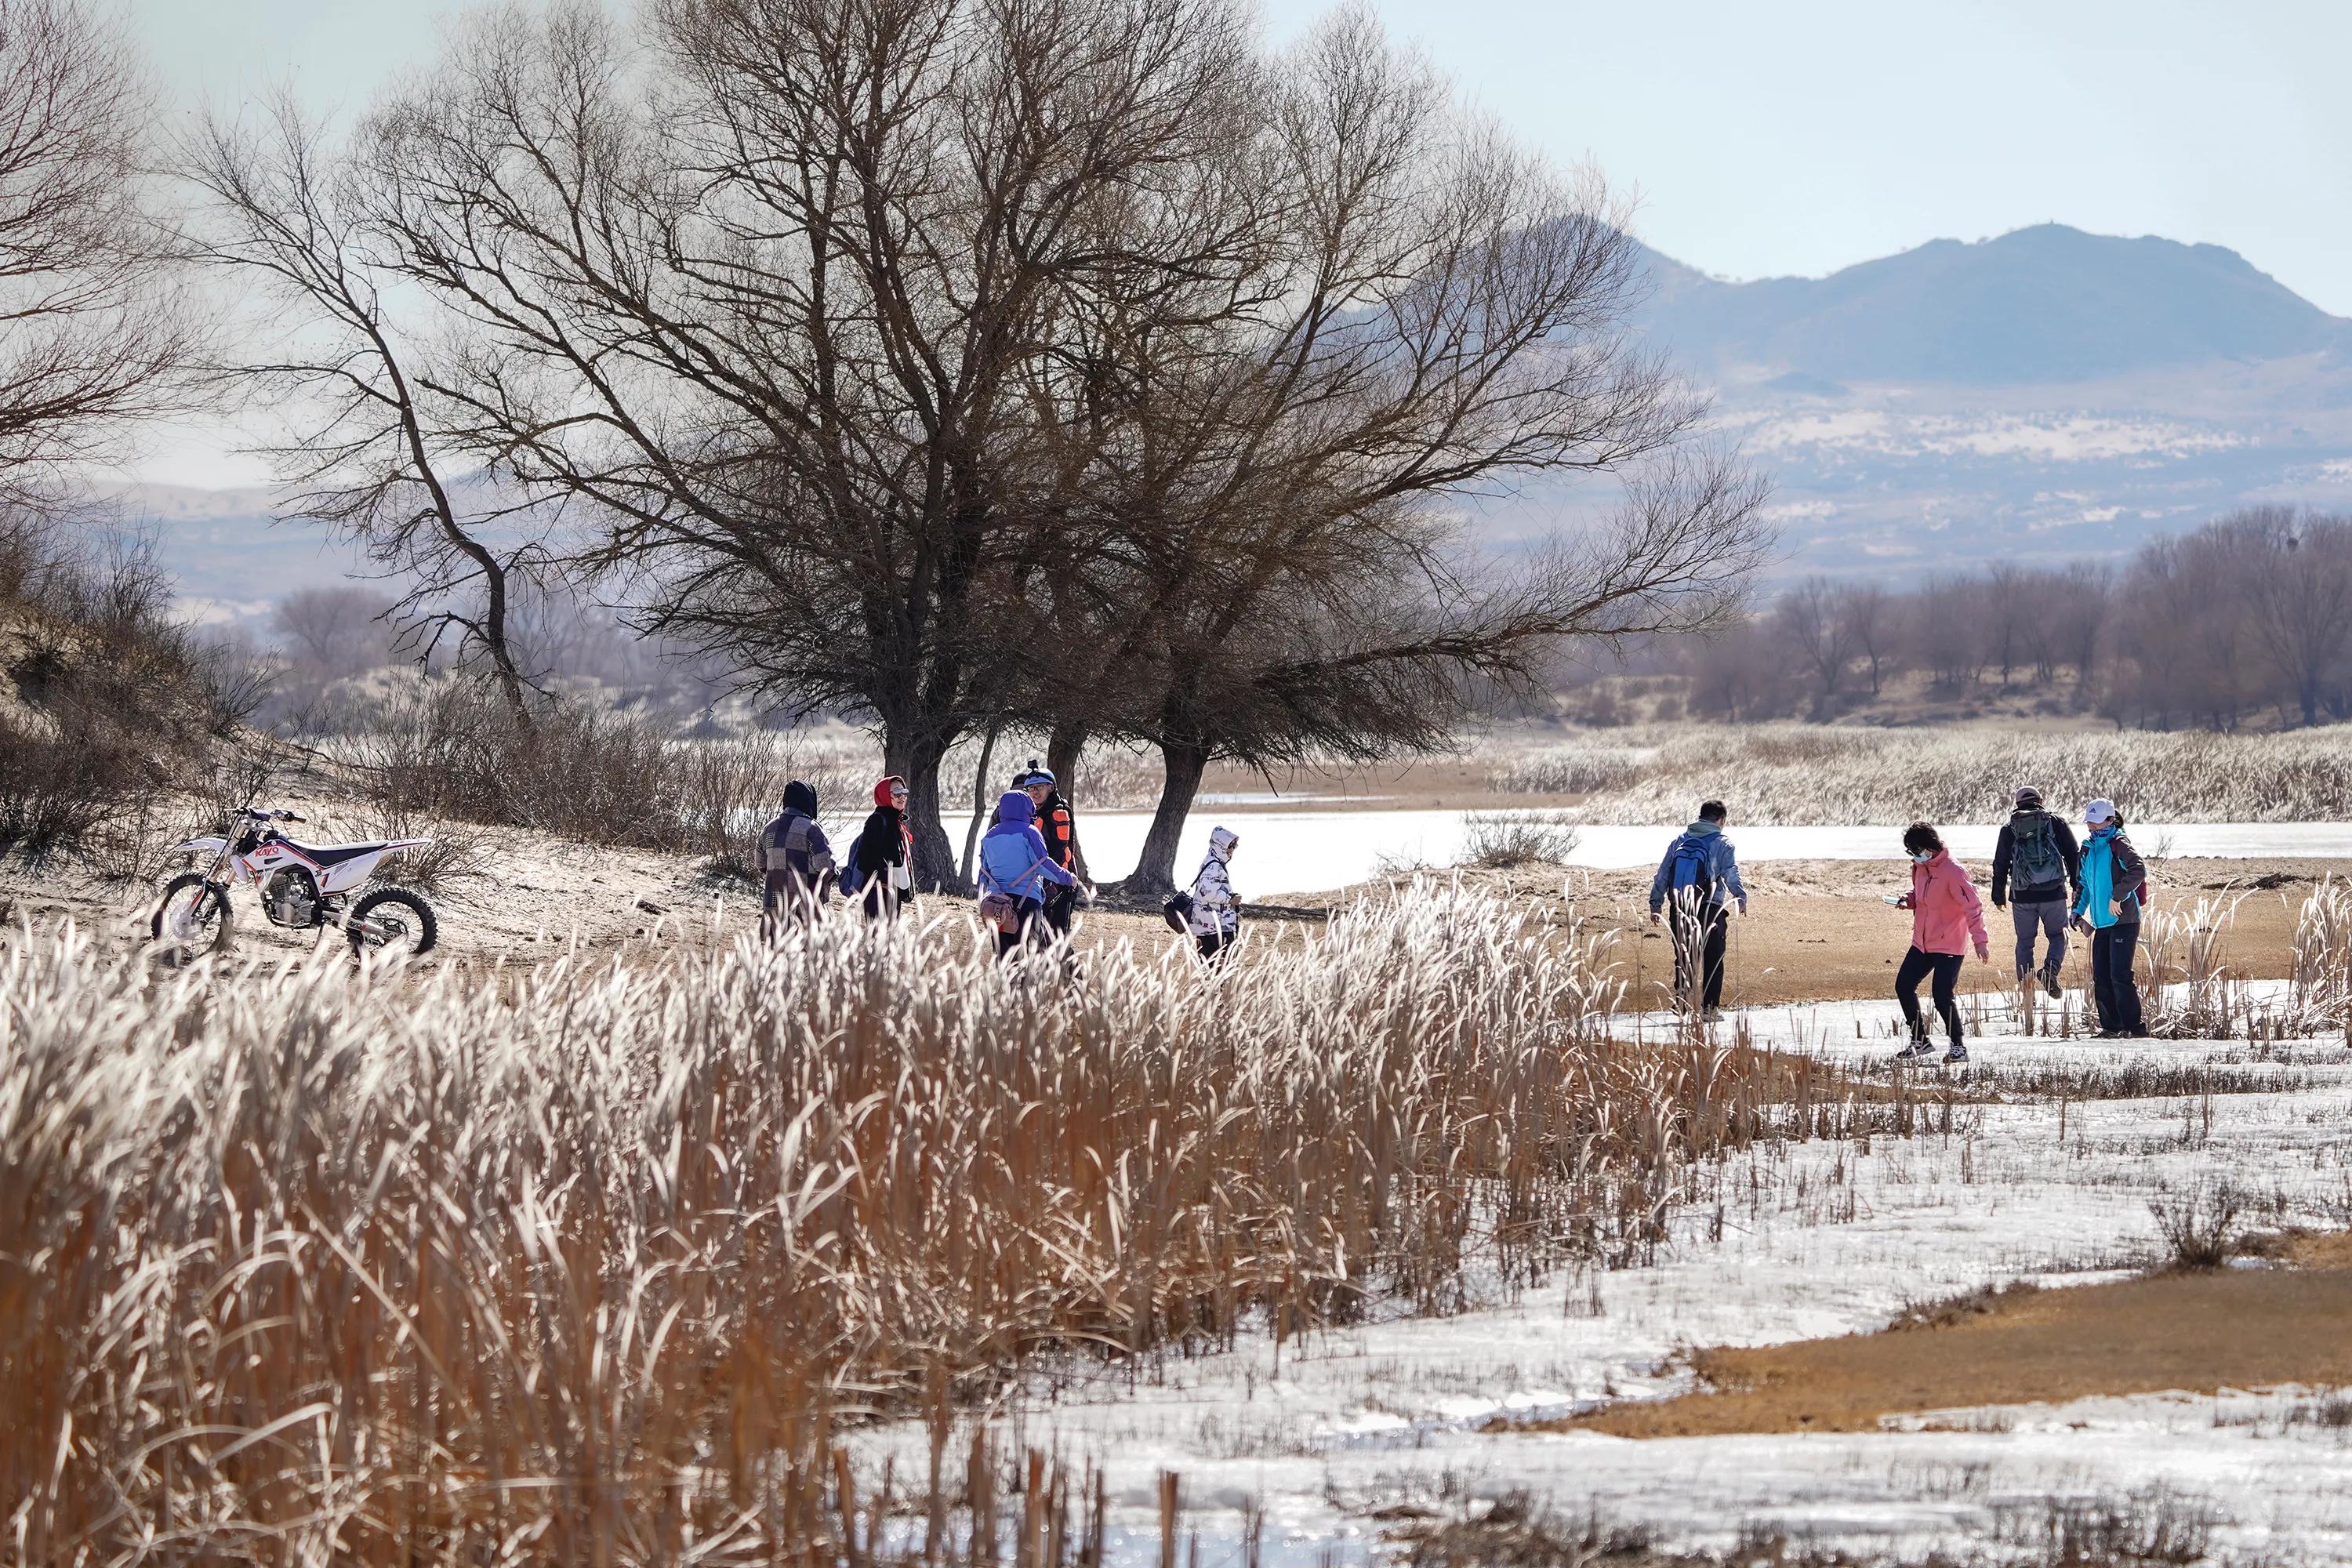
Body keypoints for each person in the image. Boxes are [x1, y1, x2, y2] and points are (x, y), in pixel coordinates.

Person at [1890, 822, 1992, 1064]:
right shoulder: (1920, 868)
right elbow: (1920, 896)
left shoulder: (1953, 871)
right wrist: (1907, 900)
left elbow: (1973, 907)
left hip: (1949, 944)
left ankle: (1958, 1047)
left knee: (1941, 995)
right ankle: (1920, 1041)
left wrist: (1980, 940)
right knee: (1903, 986)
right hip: (1922, 942)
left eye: (1916, 850)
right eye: (1911, 851)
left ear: (1930, 846)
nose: (1915, 855)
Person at [1647, 800, 1749, 1021]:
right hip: (1710, 908)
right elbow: (1730, 872)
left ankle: (1682, 1003)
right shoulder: (1723, 843)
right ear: (1721, 820)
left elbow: (1663, 874)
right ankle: (1709, 1009)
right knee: (1713, 958)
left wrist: (1656, 904)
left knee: (1684, 955)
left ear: (1701, 817)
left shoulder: (1679, 841)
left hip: (1680, 906)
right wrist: (1740, 897)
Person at [1991, 785, 2082, 998]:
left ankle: (2027, 992)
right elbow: (2073, 854)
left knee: (2025, 942)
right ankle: (2050, 970)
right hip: (2053, 892)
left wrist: (1998, 895)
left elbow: (2000, 863)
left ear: (2017, 804)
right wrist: (2077, 885)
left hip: (2022, 895)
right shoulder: (2056, 823)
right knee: (2059, 936)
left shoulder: (2009, 828)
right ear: (2041, 800)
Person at [2070, 797, 2148, 1038]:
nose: (2091, 826)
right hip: (2101, 922)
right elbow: (2084, 884)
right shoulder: (2088, 848)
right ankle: (2111, 1028)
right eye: (2089, 821)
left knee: (2120, 976)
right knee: (2101, 977)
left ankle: (2135, 1030)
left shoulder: (2119, 843)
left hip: (2124, 920)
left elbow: (2138, 870)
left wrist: (2117, 896)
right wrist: (2077, 910)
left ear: (2110, 819)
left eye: (2095, 821)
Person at [977, 789, 1076, 957]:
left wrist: (986, 894)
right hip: (1026, 902)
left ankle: (1006, 976)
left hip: (996, 905)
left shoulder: (990, 835)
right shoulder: (1030, 832)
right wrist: (1068, 878)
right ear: (1028, 808)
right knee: (1032, 956)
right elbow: (1043, 864)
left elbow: (983, 874)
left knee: (1004, 957)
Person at [1017, 763, 1084, 938]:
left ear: (1051, 788)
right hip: (1043, 879)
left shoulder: (1058, 812)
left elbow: (1059, 850)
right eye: (1031, 788)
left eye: (1039, 787)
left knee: (1057, 935)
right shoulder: (1035, 812)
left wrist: (1053, 881)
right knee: (1039, 934)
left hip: (1062, 882)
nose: (1035, 792)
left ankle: (1065, 958)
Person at [758, 780, 834, 934]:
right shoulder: (812, 829)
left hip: (774, 908)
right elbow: (825, 867)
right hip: (805, 907)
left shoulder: (769, 828)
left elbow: (760, 863)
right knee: (808, 946)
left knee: (775, 945)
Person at [844, 775, 914, 918]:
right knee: (877, 931)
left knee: (891, 931)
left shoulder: (896, 822)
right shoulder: (877, 820)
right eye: (896, 793)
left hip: (892, 891)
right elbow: (866, 859)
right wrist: (884, 881)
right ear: (884, 795)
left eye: (904, 792)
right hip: (878, 892)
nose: (902, 797)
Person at [1187, 826, 1242, 967]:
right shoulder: (1214, 866)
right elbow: (1208, 892)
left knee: (1209, 966)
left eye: (1234, 846)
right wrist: (1230, 900)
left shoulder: (1212, 862)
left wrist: (1232, 910)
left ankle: (1211, 982)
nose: (1232, 850)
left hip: (1210, 924)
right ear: (1220, 846)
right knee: (1226, 964)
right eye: (1229, 846)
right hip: (1215, 926)